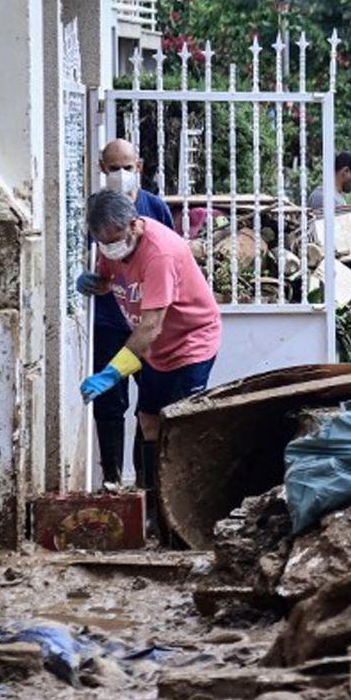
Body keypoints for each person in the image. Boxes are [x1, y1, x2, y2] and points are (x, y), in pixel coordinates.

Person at [77, 190, 222, 520]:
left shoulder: (161, 253)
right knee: (149, 420)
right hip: (156, 349)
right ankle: (153, 507)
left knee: (179, 424)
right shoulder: (112, 244)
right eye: (102, 242)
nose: (110, 249)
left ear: (133, 225)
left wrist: (112, 373)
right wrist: (93, 283)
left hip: (190, 342)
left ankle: (184, 511)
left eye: (114, 240)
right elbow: (109, 280)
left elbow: (151, 327)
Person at [87, 139, 173, 489]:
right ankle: (111, 480)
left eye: (127, 167)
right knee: (109, 403)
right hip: (110, 321)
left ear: (139, 166)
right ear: (101, 168)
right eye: (113, 167)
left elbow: (172, 258)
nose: (120, 174)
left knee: (149, 406)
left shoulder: (155, 208)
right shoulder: (95, 210)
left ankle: (144, 485)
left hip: (146, 325)